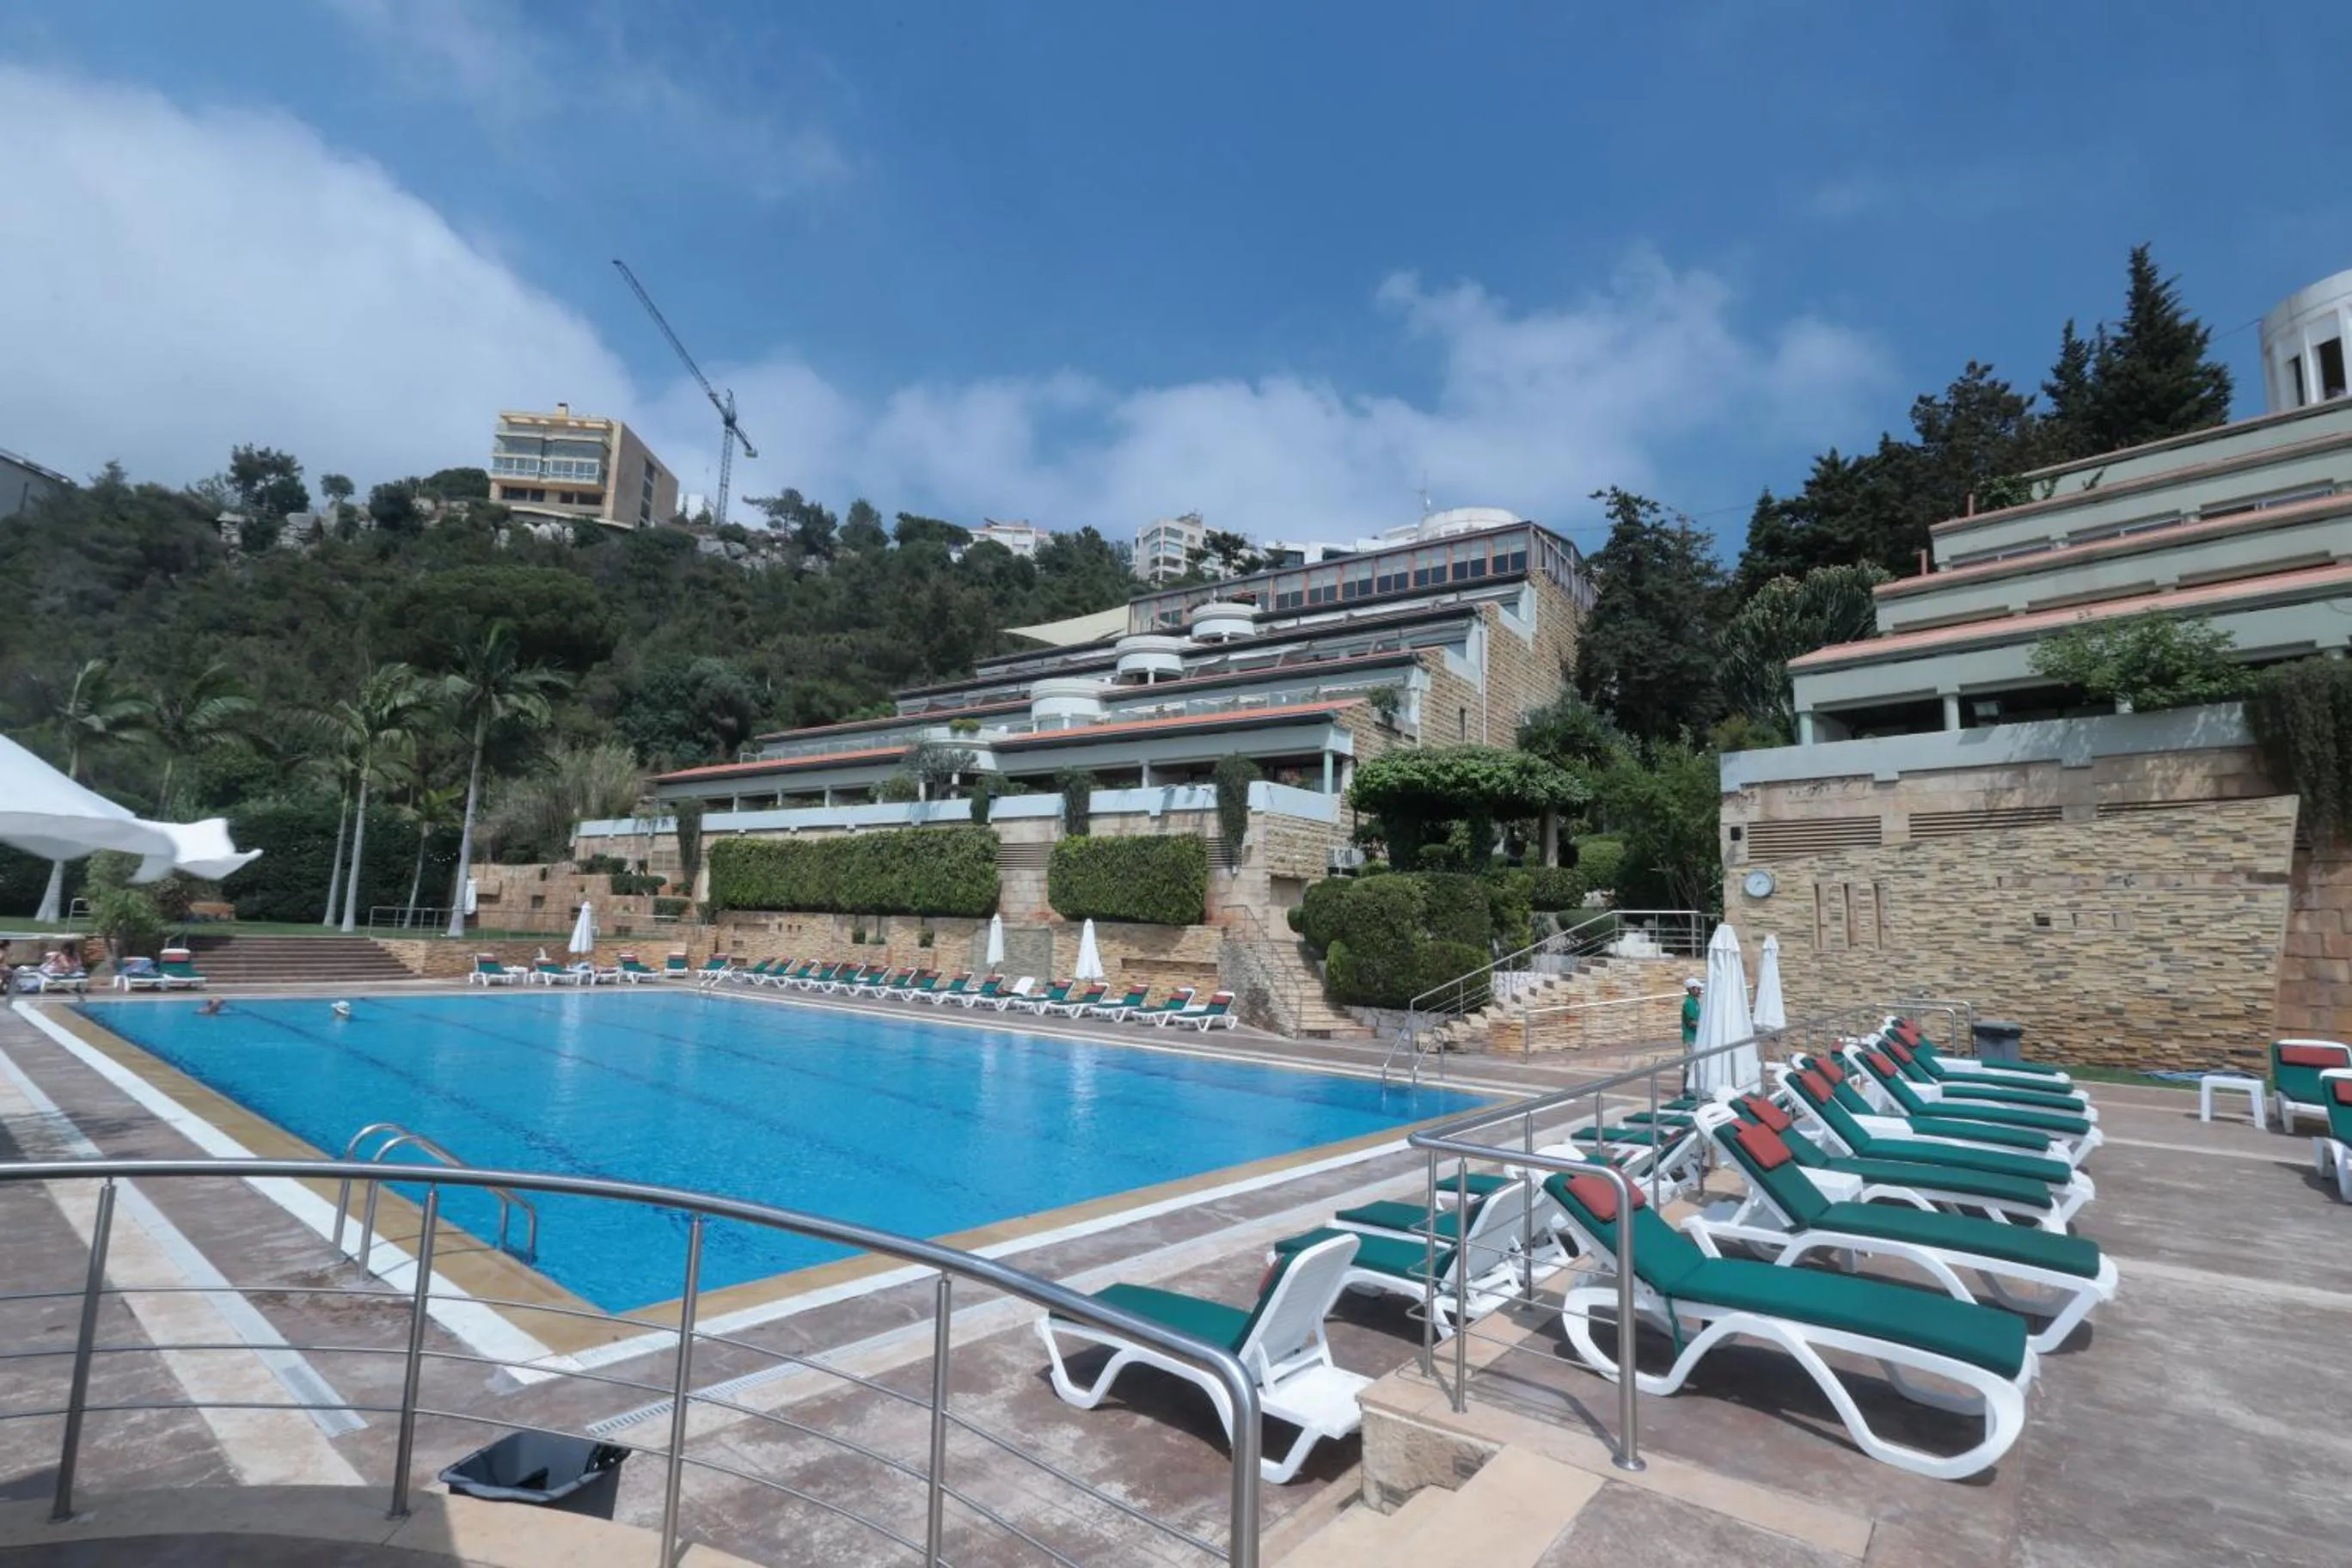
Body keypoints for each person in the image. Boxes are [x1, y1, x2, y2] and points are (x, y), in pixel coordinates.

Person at [1681, 977, 1703, 1047]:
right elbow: (1691, 1022)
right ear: (1691, 989)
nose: (1700, 991)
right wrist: (1704, 1026)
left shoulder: (1694, 1001)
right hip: (1691, 1038)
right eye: (1698, 989)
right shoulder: (1689, 1003)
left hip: (1696, 1036)